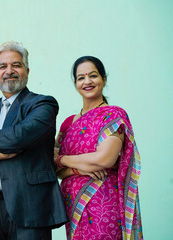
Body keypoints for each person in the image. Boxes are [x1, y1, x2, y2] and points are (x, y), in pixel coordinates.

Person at [0, 41, 68, 240]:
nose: (9, 71)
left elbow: (21, 136)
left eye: (16, 65)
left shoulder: (42, 104)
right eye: (2, 66)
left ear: (27, 70)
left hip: (29, 206)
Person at [54, 56, 143, 240]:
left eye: (93, 75)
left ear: (104, 79)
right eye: (81, 77)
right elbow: (54, 169)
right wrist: (78, 169)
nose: (87, 81)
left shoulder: (112, 115)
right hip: (73, 205)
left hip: (104, 202)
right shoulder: (67, 124)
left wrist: (63, 160)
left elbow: (105, 159)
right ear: (75, 83)